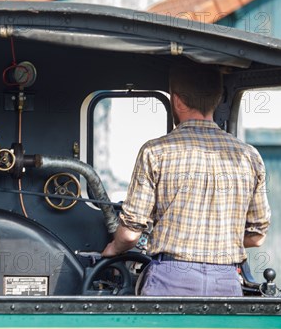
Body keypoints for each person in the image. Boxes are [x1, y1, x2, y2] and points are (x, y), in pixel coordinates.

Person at [101, 64, 271, 296]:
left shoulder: (156, 151)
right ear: (217, 98)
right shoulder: (249, 156)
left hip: (170, 279)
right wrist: (218, 241)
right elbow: (257, 236)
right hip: (226, 283)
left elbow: (130, 234)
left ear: (178, 101)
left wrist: (112, 249)